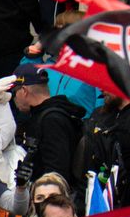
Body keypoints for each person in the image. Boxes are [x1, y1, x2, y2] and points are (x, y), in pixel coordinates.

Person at [12, 68, 84, 202]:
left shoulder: (52, 120)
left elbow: (57, 171)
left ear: (23, 91)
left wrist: (46, 204)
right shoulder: (41, 116)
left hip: (52, 202)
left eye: (14, 92)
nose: (13, 98)